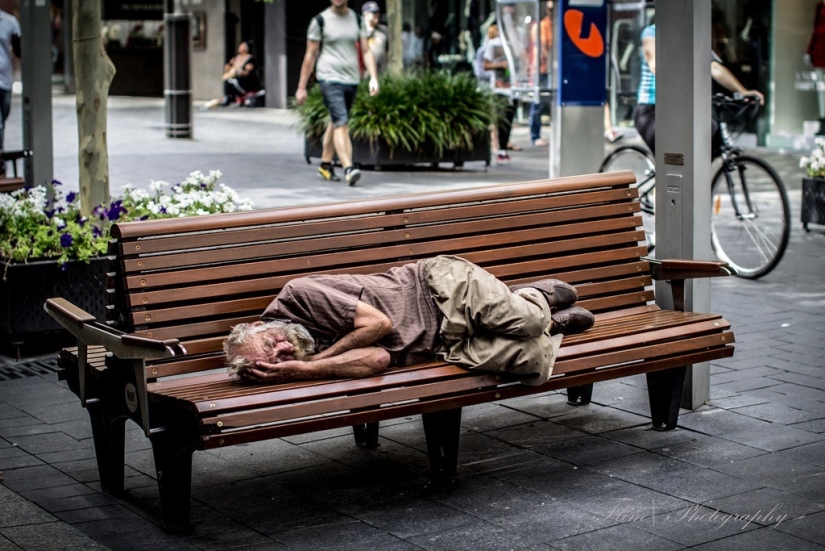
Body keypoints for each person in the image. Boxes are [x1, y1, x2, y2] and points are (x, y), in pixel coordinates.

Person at [224, 255, 595, 386]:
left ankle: (535, 297)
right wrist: (302, 369)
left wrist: (313, 363)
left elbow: (378, 327)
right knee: (534, 363)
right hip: (442, 345)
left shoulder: (297, 295)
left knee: (527, 324)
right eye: (279, 359)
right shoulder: (300, 359)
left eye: (274, 343)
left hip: (440, 290)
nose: (287, 349)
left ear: (259, 325)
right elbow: (378, 358)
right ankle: (553, 324)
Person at [633, 22, 764, 157]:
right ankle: (667, 176)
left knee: (714, 137)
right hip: (652, 110)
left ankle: (695, 176)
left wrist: (742, 91)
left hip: (679, 110)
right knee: (672, 158)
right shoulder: (652, 32)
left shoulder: (691, 37)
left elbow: (714, 67)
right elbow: (655, 65)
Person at [296, 0, 380, 186]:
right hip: (329, 78)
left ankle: (325, 165)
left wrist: (373, 77)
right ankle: (349, 168)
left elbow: (366, 51)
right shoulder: (320, 21)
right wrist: (302, 86)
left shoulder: (357, 20)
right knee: (342, 122)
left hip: (351, 79)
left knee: (335, 121)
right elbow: (310, 55)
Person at [483, 24, 518, 163]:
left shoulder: (513, 44)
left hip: (513, 87)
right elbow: (485, 65)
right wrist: (501, 65)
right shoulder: (493, 45)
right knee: (501, 120)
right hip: (499, 88)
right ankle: (500, 149)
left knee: (509, 119)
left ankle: (503, 148)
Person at [528, 1, 553, 147]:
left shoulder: (556, 25)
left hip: (551, 69)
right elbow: (543, 48)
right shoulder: (542, 26)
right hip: (543, 69)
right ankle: (535, 134)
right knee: (538, 102)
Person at [0, 8, 20, 176]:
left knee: (2, 121)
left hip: (5, 81)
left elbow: (18, 50)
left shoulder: (9, 22)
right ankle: (0, 164)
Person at [219, 41, 261, 107]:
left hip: (246, 79)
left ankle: (242, 98)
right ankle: (229, 97)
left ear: (245, 49)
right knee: (228, 81)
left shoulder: (250, 58)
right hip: (235, 77)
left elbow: (248, 71)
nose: (239, 47)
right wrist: (228, 68)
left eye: (241, 46)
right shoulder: (236, 57)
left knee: (238, 80)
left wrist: (238, 72)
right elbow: (229, 66)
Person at [362, 1, 388, 75]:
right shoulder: (360, 32)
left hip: (381, 75)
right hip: (364, 75)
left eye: (377, 12)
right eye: (373, 13)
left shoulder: (383, 31)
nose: (377, 15)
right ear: (365, 15)